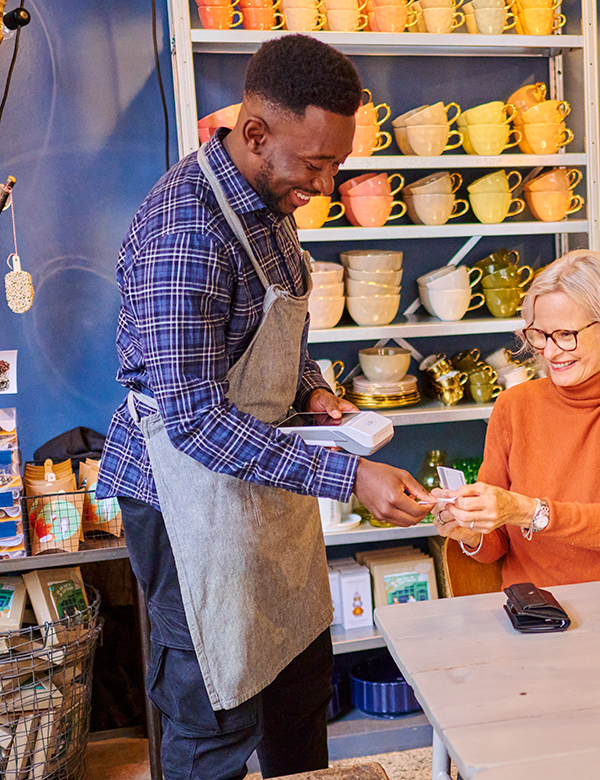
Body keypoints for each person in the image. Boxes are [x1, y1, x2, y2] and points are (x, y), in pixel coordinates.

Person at [96, 34, 433, 780]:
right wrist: (350, 480)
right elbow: (194, 419)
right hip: (186, 499)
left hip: (263, 483)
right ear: (255, 133)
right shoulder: (186, 232)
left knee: (296, 683)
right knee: (217, 707)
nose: (325, 181)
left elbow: (274, 333)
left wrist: (315, 392)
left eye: (337, 163)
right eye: (317, 164)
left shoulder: (271, 200)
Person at [432, 249, 600, 589]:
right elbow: (496, 543)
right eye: (539, 334)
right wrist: (469, 530)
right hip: (531, 611)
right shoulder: (515, 405)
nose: (550, 352)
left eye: (566, 335)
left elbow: (521, 512)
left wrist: (529, 511)